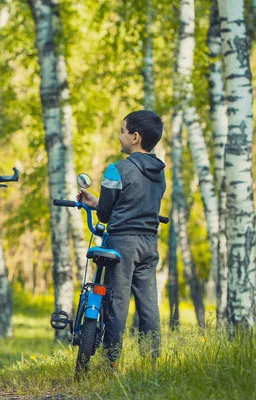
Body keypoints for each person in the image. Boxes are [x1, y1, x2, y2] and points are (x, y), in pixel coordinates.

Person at [77, 110, 166, 368]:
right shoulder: (160, 172)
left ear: (135, 137)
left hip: (122, 245)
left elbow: (105, 214)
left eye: (122, 131)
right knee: (148, 306)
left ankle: (110, 363)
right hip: (149, 244)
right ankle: (151, 363)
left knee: (117, 303)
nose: (120, 136)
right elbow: (139, 203)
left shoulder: (117, 170)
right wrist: (100, 203)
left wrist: (96, 205)